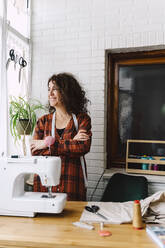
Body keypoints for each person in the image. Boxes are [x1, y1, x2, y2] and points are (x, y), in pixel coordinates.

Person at [30, 72, 92, 201]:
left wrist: (48, 143)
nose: (50, 93)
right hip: (45, 184)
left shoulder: (82, 119)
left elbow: (82, 147)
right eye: (49, 89)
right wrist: (70, 142)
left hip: (72, 184)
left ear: (66, 92)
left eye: (55, 89)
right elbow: (35, 151)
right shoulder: (43, 121)